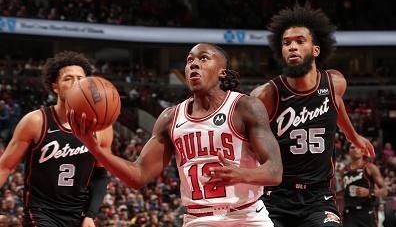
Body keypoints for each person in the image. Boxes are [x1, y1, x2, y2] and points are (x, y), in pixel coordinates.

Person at [69, 43, 283, 227]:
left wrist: (241, 174)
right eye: (190, 60)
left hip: (246, 216)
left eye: (203, 58)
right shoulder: (171, 118)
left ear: (222, 72)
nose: (194, 64)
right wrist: (96, 149)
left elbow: (274, 172)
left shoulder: (244, 106)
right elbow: (138, 176)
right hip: (199, 219)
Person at [250, 4, 375, 227]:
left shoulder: (334, 83)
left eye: (300, 41)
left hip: (318, 197)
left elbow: (336, 107)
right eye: (286, 43)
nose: (292, 47)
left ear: (315, 50)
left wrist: (353, 136)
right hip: (276, 196)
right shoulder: (266, 95)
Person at [0, 51, 113, 227]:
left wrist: (90, 214)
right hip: (41, 212)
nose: (76, 83)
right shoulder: (36, 121)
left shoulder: (101, 128)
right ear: (55, 87)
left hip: (78, 214)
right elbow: (5, 166)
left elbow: (100, 176)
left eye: (80, 78)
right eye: (68, 78)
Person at [342, 143, 387, 227]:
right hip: (349, 213)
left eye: (357, 147)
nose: (354, 149)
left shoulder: (370, 168)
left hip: (366, 212)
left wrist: (369, 192)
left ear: (363, 151)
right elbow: (343, 191)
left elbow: (385, 191)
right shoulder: (343, 170)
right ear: (348, 151)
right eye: (352, 147)